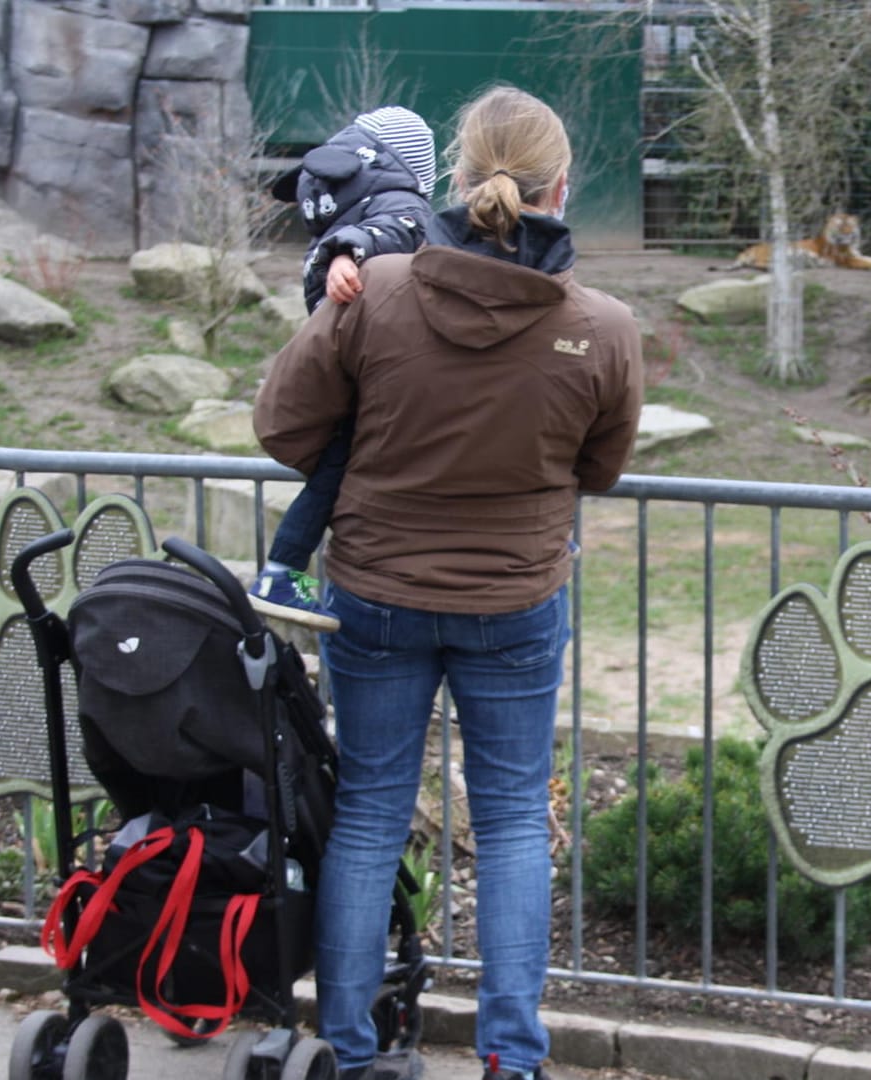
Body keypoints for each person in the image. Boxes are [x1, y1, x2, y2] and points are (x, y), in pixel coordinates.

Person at [252, 84, 644, 1080]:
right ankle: (512, 1058)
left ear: (456, 179)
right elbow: (598, 469)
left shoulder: (371, 293)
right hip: (515, 603)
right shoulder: (602, 328)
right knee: (513, 820)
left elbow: (284, 427)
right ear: (560, 187)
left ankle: (348, 1050)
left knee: (373, 810)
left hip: (375, 596)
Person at [250, 105, 438, 629]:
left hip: (359, 372)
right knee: (474, 418)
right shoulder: (398, 209)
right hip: (387, 368)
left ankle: (283, 572)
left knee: (333, 474)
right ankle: (534, 532)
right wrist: (348, 252)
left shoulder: (345, 215)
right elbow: (395, 230)